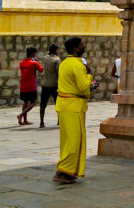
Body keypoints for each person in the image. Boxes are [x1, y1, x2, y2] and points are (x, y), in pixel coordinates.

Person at [54, 37, 93, 183]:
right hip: (73, 106)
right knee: (74, 141)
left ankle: (64, 171)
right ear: (75, 49)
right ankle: (64, 173)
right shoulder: (77, 65)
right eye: (81, 45)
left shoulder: (65, 62)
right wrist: (90, 76)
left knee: (68, 140)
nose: (83, 47)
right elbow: (85, 88)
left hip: (65, 105)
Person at [17, 47, 44, 125]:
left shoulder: (21, 63)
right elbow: (41, 70)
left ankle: (25, 120)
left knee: (25, 102)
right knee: (33, 102)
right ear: (33, 54)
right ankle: (21, 115)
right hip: (31, 86)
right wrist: (36, 60)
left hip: (23, 86)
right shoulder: (33, 63)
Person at [38, 44, 61, 128]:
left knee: (43, 104)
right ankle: (59, 120)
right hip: (54, 84)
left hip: (45, 83)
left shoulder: (45, 58)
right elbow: (58, 72)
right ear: (55, 51)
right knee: (58, 104)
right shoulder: (57, 60)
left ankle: (41, 122)